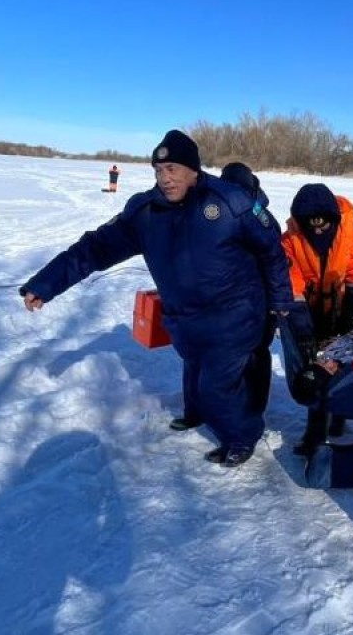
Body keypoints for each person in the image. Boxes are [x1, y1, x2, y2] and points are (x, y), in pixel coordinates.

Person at [19, 130, 294, 468]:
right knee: (194, 370)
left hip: (235, 315)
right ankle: (197, 415)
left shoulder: (230, 203)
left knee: (217, 384)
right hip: (184, 317)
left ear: (194, 169)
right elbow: (94, 248)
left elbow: (272, 254)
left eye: (173, 169)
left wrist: (281, 303)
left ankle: (242, 437)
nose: (165, 179)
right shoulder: (145, 212)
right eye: (159, 171)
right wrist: (45, 284)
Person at [279, 183, 353, 455]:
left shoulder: (351, 236)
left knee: (343, 365)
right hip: (306, 311)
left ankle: (340, 415)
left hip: (340, 310)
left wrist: (347, 315)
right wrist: (304, 329)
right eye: (311, 227)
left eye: (324, 226)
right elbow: (291, 288)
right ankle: (316, 428)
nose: (318, 231)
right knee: (313, 370)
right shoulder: (289, 243)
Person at [219, 161, 279, 416]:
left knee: (257, 354)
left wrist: (276, 303)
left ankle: (254, 407)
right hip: (226, 301)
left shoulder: (262, 217)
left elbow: (275, 262)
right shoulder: (215, 214)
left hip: (259, 301)